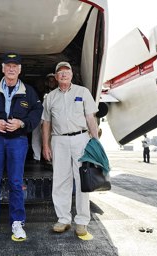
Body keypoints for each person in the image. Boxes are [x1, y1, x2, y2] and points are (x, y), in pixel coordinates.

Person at [0, 52, 43, 241]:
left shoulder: (28, 92)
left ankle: (17, 222)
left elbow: (37, 112)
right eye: (8, 65)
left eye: (15, 66)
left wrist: (22, 124)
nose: (11, 69)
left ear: (20, 70)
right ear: (3, 68)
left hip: (18, 141)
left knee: (15, 182)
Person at [41, 61, 99, 237]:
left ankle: (81, 222)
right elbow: (46, 123)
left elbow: (91, 118)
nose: (64, 74)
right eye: (60, 72)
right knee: (60, 180)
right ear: (56, 77)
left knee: (82, 180)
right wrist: (45, 145)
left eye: (67, 72)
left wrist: (95, 142)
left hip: (81, 139)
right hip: (58, 141)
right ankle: (63, 219)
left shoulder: (83, 92)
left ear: (72, 74)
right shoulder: (50, 97)